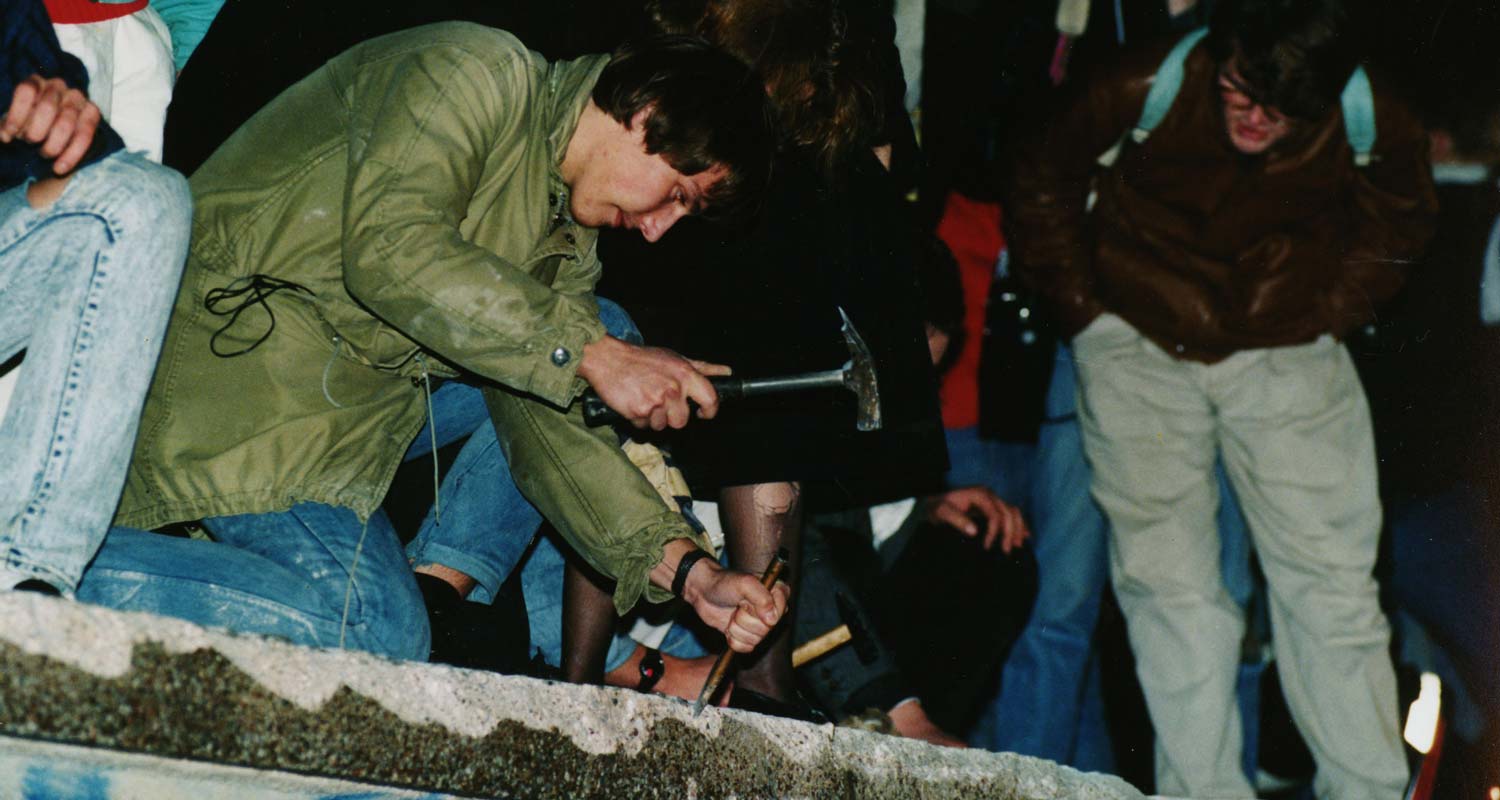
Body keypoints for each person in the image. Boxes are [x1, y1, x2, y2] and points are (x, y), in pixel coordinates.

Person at [75, 24, 788, 663]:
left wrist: (691, 573)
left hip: (324, 434)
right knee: (375, 629)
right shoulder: (472, 71)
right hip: (221, 384)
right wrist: (597, 354)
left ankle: (415, 593)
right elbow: (393, 251)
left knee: (587, 346)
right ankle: (42, 557)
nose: (659, 229)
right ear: (645, 115)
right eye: (677, 194)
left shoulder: (566, 238)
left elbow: (551, 425)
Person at [1007, 0, 1436, 796]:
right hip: (1138, 342)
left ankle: (1369, 791)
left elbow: (1403, 215)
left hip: (1289, 347)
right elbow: (1041, 180)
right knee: (1170, 592)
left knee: (1333, 590)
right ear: (1222, 51)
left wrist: (1330, 312)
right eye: (1241, 89)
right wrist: (1087, 315)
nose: (1256, 116)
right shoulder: (1147, 81)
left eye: (1284, 106)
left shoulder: (1369, 108)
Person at [0, 0, 190, 597]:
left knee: (141, 199)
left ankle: (24, 582)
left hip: (120, 24)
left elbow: (89, 163)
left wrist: (57, 116)